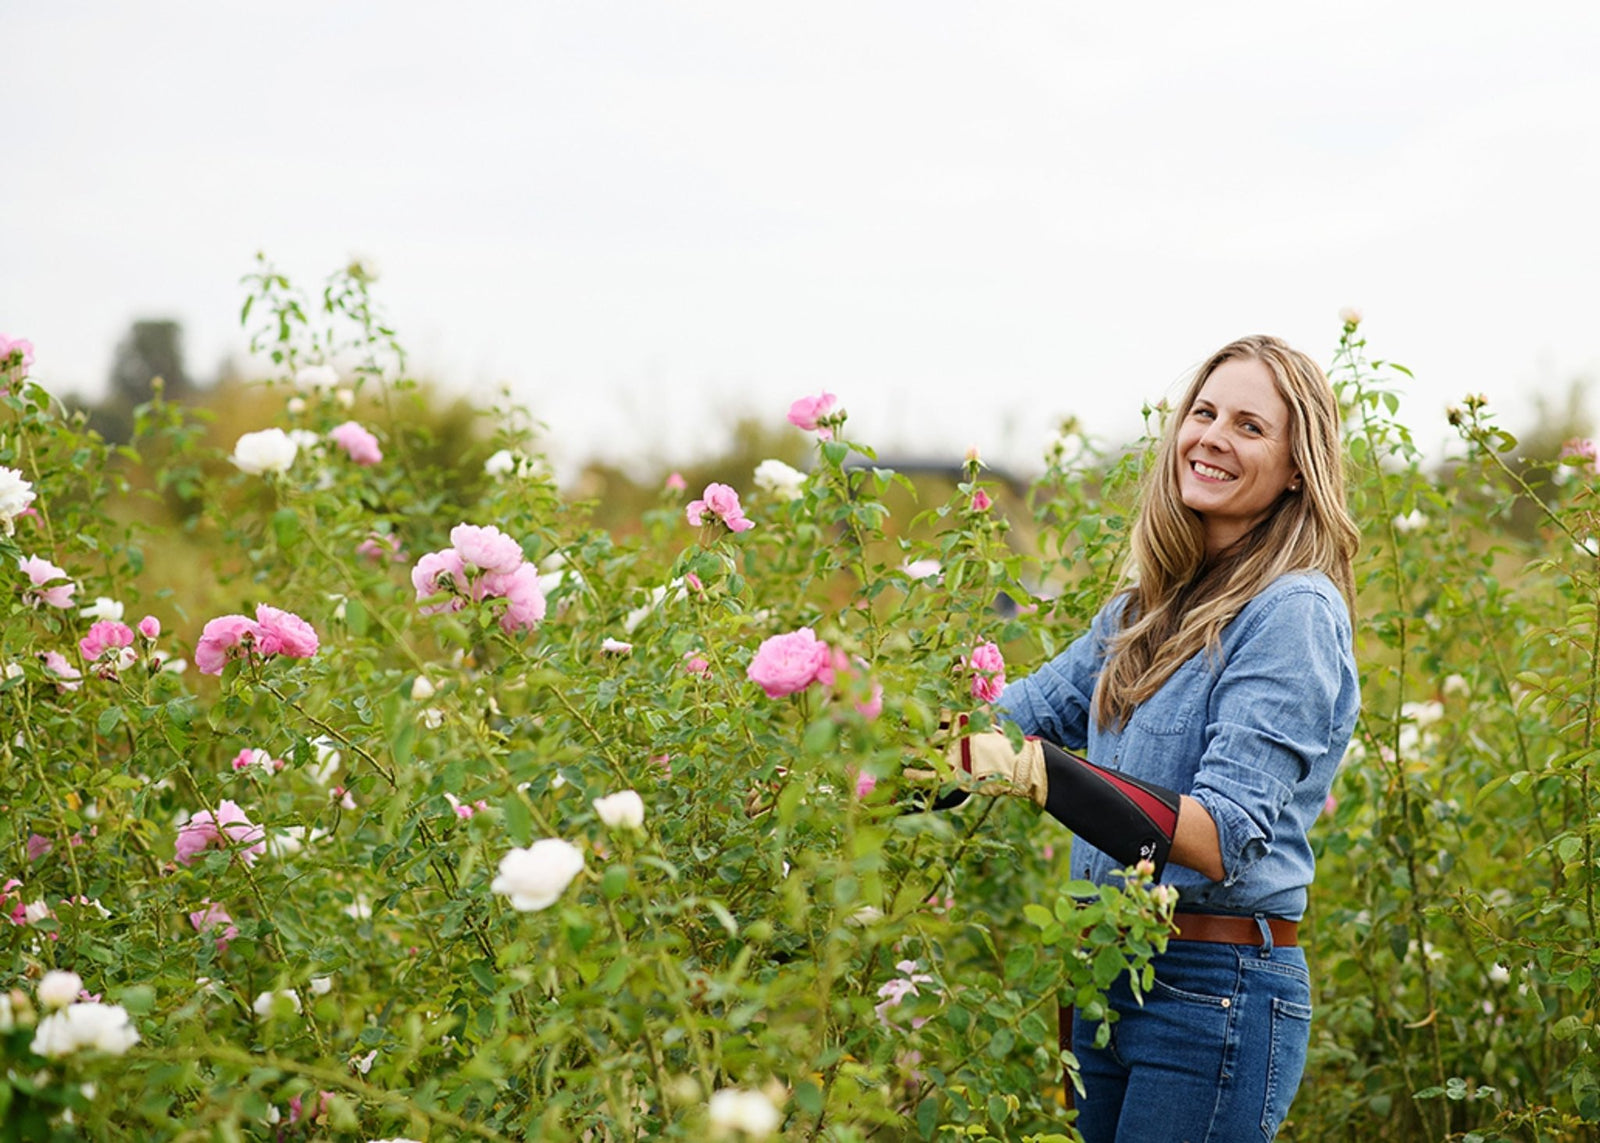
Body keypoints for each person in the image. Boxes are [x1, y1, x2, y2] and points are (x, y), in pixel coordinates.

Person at [932, 335, 1360, 1142]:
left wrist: (1038, 773)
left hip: (1213, 988)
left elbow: (1223, 835)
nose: (1212, 437)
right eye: (1203, 413)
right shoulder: (1142, 611)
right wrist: (866, 757)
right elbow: (1020, 713)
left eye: (1248, 426)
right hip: (1105, 975)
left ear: (1299, 465)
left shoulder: (1292, 612)